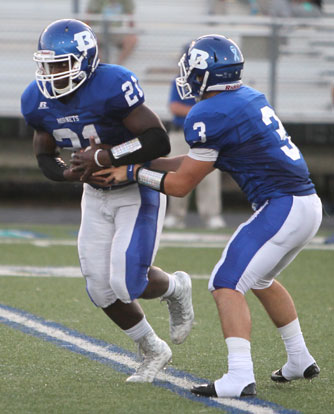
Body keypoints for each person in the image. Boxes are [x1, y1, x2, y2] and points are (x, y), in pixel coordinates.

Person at [97, 34, 322, 397]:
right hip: (305, 204)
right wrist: (137, 161)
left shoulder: (208, 113)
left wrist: (131, 173)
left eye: (191, 67)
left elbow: (181, 185)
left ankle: (239, 376)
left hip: (283, 204)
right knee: (259, 280)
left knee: (225, 282)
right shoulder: (245, 97)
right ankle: (299, 357)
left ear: (206, 73)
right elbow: (193, 163)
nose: (186, 73)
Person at [20, 18, 194, 383]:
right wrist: (69, 173)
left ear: (85, 61)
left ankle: (176, 287)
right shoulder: (36, 99)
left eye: (60, 65)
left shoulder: (112, 84)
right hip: (95, 195)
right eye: (46, 64)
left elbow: (157, 140)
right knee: (99, 286)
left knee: (127, 282)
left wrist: (107, 156)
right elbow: (44, 157)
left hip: (136, 187)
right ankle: (151, 348)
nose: (51, 74)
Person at [164, 76, 225, 230]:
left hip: (207, 135)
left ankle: (212, 215)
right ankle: (175, 214)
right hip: (181, 132)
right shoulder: (179, 82)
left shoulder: (215, 85)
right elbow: (175, 107)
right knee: (176, 172)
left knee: (209, 175)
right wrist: (200, 111)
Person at [87, 0, 137, 65]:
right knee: (91, 40)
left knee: (132, 39)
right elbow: (88, 16)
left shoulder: (126, 2)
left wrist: (132, 31)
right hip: (99, 31)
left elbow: (130, 18)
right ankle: (102, 66)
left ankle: (118, 65)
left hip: (117, 31)